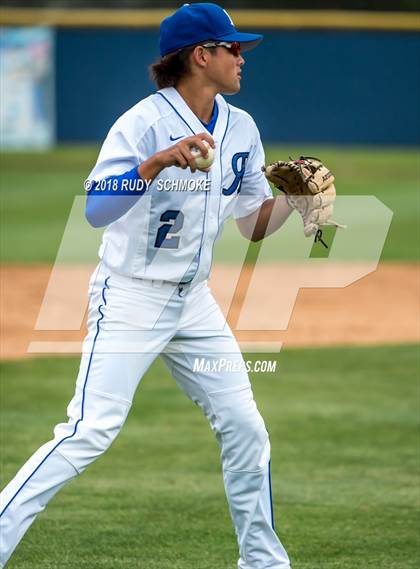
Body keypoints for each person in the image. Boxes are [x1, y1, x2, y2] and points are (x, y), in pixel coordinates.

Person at [0, 4, 295, 568]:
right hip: (131, 295)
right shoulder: (141, 124)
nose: (241, 57)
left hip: (194, 302)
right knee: (89, 430)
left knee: (245, 428)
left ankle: (264, 563)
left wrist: (295, 203)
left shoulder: (243, 127)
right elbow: (94, 210)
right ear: (199, 55)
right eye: (231, 47)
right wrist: (154, 164)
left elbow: (253, 225)